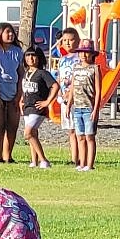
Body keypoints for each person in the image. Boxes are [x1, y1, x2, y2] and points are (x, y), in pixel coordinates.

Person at [0, 22, 24, 164]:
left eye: (12, 32)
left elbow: (20, 74)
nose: (11, 34)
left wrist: (19, 94)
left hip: (13, 92)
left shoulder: (17, 51)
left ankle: (8, 156)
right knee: (0, 126)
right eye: (8, 32)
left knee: (13, 126)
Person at [20, 46, 56, 168]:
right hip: (27, 107)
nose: (30, 58)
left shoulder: (43, 73)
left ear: (39, 58)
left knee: (28, 133)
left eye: (33, 55)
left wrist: (47, 101)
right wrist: (21, 100)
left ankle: (44, 160)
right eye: (28, 55)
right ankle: (34, 161)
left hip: (38, 107)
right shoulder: (26, 73)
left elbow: (55, 86)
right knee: (33, 134)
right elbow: (25, 89)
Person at [70, 39, 102, 170]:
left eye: (87, 52)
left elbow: (99, 90)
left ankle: (89, 164)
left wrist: (95, 109)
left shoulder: (95, 68)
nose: (84, 55)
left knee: (89, 136)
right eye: (81, 52)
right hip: (77, 107)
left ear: (92, 54)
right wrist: (68, 105)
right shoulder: (76, 67)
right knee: (80, 136)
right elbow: (72, 86)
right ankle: (81, 163)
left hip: (89, 107)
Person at [54, 27, 82, 165]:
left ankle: (81, 157)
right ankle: (73, 157)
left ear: (77, 41)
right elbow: (60, 77)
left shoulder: (79, 59)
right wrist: (59, 92)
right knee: (70, 129)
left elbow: (77, 79)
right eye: (65, 40)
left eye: (71, 40)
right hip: (64, 99)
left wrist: (69, 93)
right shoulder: (62, 60)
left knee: (79, 130)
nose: (68, 43)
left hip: (76, 98)